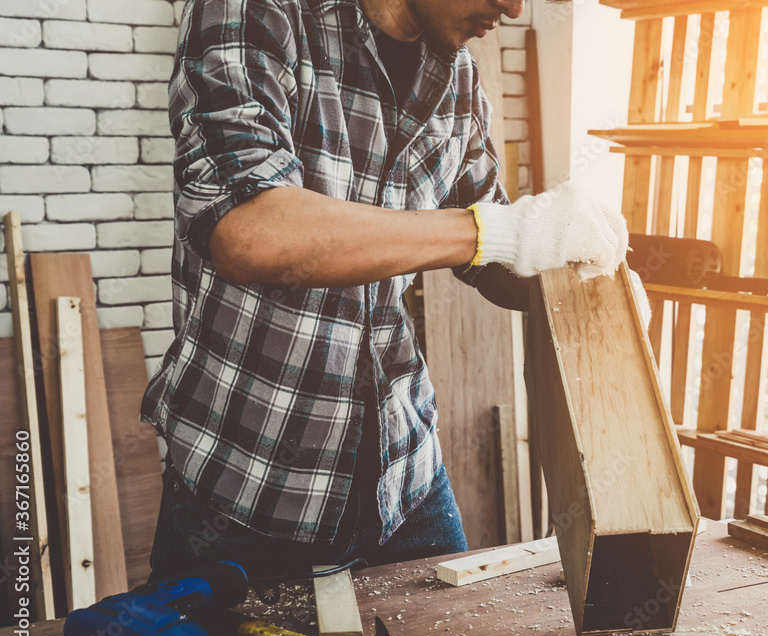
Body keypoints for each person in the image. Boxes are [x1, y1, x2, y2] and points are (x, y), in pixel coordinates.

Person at [142, 0, 634, 584]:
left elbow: (492, 251)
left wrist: (585, 277)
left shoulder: (457, 75)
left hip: (404, 479)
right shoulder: (257, 14)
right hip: (249, 484)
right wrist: (496, 231)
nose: (513, 7)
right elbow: (251, 230)